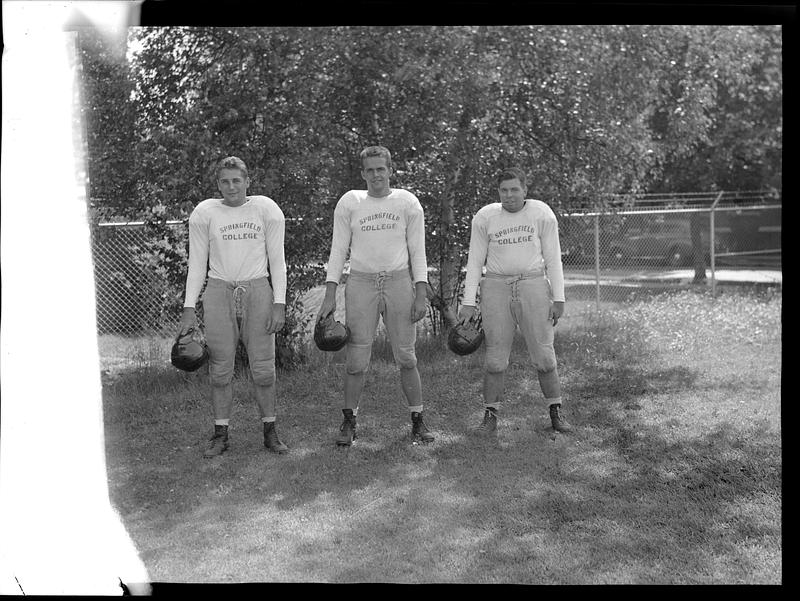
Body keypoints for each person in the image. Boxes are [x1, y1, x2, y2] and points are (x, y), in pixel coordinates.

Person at [316, 145, 434, 446]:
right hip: (361, 283)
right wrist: (330, 295)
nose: (376, 174)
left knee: (407, 357)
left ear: (390, 170)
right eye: (370, 170)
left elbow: (417, 250)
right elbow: (338, 250)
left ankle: (418, 420)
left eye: (381, 168)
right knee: (356, 360)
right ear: (362, 173)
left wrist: (420, 292)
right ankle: (349, 421)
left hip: (397, 282)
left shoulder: (406, 202)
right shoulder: (351, 202)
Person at [179, 156, 289, 457]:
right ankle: (220, 434)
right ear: (218, 184)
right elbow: (197, 265)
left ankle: (270, 431)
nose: (231, 186)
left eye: (236, 180)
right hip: (218, 291)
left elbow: (278, 262)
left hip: (257, 289)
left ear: (247, 181)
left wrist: (279, 303)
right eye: (225, 181)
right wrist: (190, 307)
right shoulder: (206, 213)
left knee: (264, 369)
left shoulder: (265, 209)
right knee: (219, 369)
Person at [458, 167, 574, 434]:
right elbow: (475, 261)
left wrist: (559, 298)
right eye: (504, 190)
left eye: (514, 189)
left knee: (544, 356)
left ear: (525, 189)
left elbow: (553, 258)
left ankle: (556, 413)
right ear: (498, 192)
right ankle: (490, 416)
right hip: (497, 286)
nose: (509, 195)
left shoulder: (540, 213)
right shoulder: (486, 217)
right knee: (496, 359)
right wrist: (468, 301)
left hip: (532, 284)